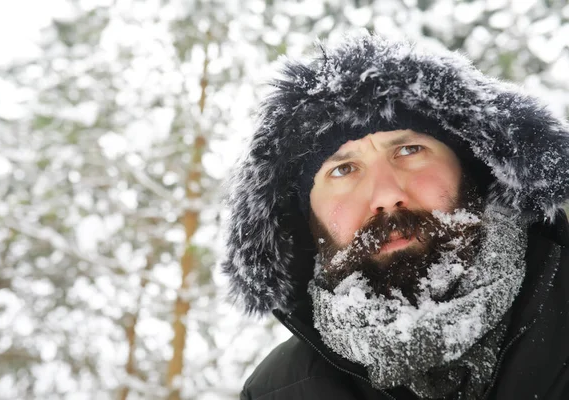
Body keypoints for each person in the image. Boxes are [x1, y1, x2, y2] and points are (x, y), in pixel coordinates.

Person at [222, 33, 569, 400]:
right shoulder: (275, 392)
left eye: (409, 149)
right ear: (307, 222)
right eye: (343, 171)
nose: (386, 195)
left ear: (472, 169)